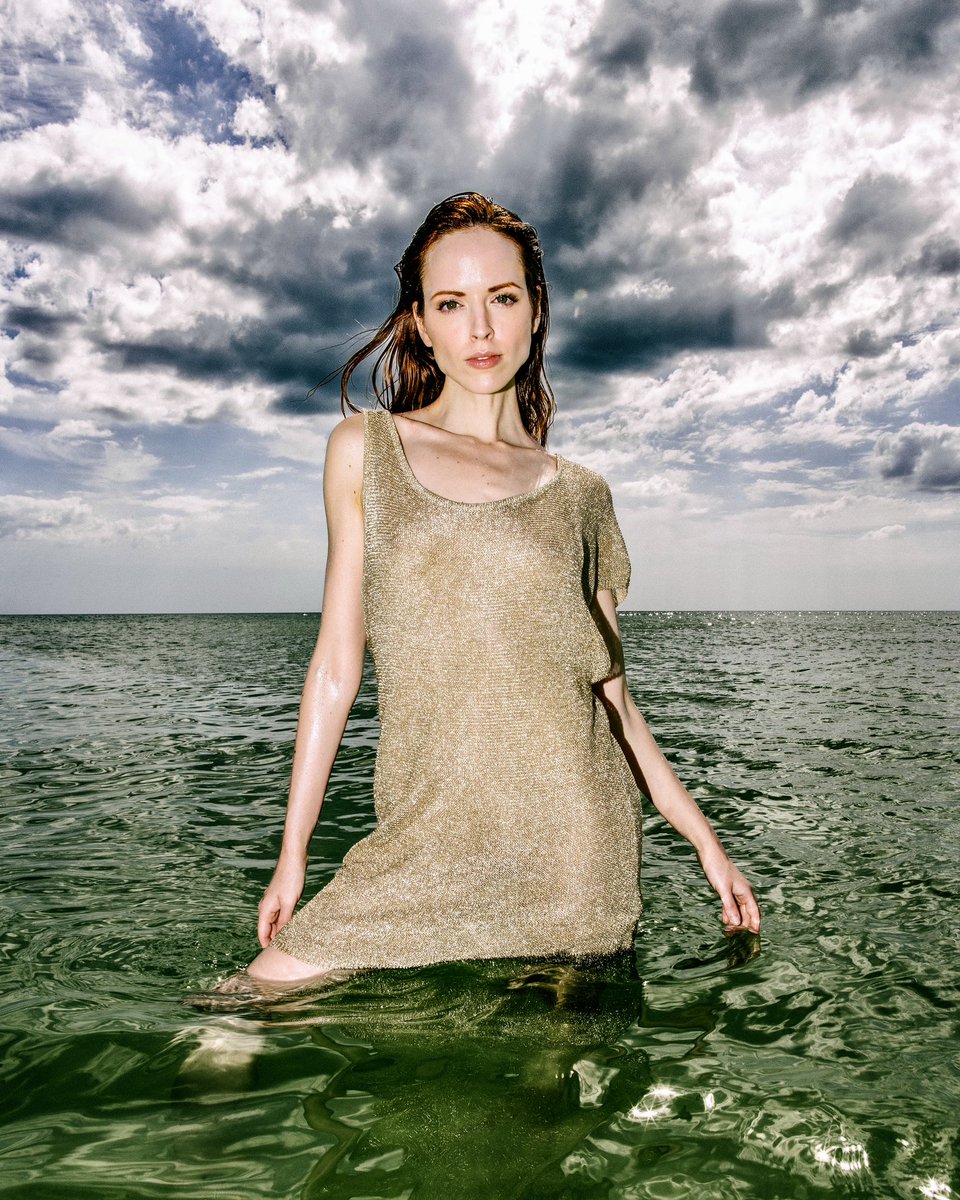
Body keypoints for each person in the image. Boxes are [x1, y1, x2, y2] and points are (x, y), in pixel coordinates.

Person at [243, 193, 760, 988]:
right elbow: (336, 668)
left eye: (503, 298)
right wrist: (293, 857)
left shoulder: (582, 494)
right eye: (452, 303)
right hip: (425, 838)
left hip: (576, 853)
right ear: (419, 320)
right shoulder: (365, 449)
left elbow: (613, 696)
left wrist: (705, 845)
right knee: (244, 1011)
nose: (480, 330)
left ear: (535, 309)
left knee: (539, 1095)